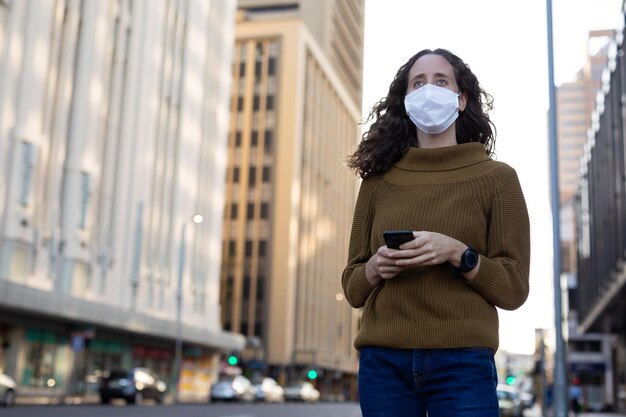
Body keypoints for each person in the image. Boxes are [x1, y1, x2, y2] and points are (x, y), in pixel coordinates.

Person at [341, 48, 531, 417]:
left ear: (461, 99)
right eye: (419, 83)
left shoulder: (497, 178)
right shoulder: (377, 181)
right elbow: (352, 287)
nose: (429, 90)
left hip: (463, 363)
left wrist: (458, 252)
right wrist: (376, 267)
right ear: (407, 100)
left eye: (441, 81)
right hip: (384, 365)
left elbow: (514, 288)